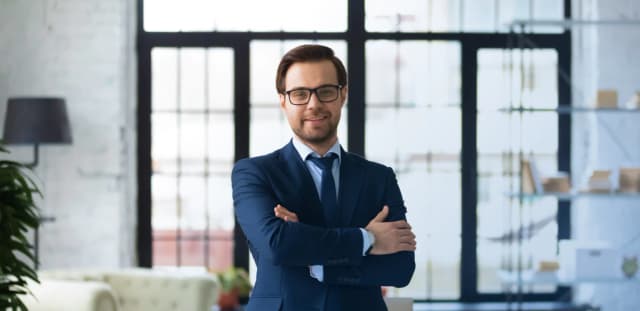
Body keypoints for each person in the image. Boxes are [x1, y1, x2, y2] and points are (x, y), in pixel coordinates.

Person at [232, 44, 416, 311]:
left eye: (326, 92)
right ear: (283, 100)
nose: (314, 104)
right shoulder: (254, 173)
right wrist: (367, 238)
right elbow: (278, 245)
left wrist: (316, 260)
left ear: (343, 95)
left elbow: (400, 268)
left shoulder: (379, 178)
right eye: (300, 94)